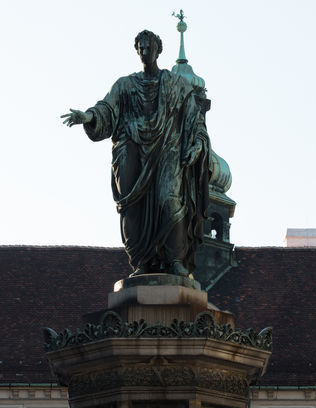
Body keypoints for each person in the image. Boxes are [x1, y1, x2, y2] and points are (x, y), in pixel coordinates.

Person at [62, 29, 210, 279]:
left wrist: (196, 145)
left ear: (158, 50)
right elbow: (106, 109)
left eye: (148, 47)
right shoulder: (125, 85)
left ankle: (175, 260)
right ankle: (141, 261)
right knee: (132, 209)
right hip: (131, 149)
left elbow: (195, 121)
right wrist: (87, 117)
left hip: (166, 152)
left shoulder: (176, 85)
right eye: (140, 48)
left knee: (169, 200)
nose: (144, 52)